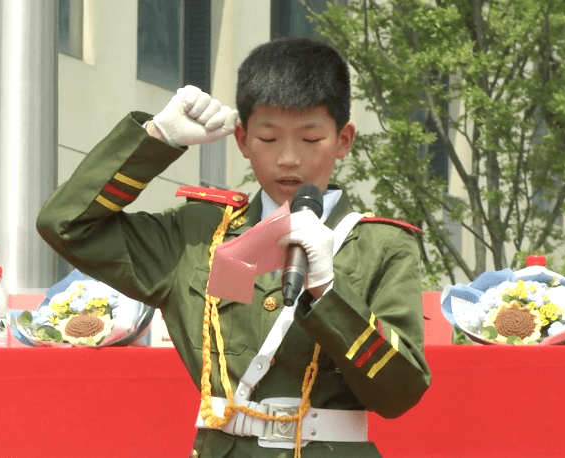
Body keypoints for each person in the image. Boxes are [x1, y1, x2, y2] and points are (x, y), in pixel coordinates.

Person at [37, 37, 431, 458]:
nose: (289, 159)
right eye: (268, 138)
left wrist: (329, 292)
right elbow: (67, 225)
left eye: (311, 139)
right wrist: (157, 139)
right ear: (241, 140)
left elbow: (401, 393)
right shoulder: (197, 234)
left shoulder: (380, 245)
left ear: (344, 140)